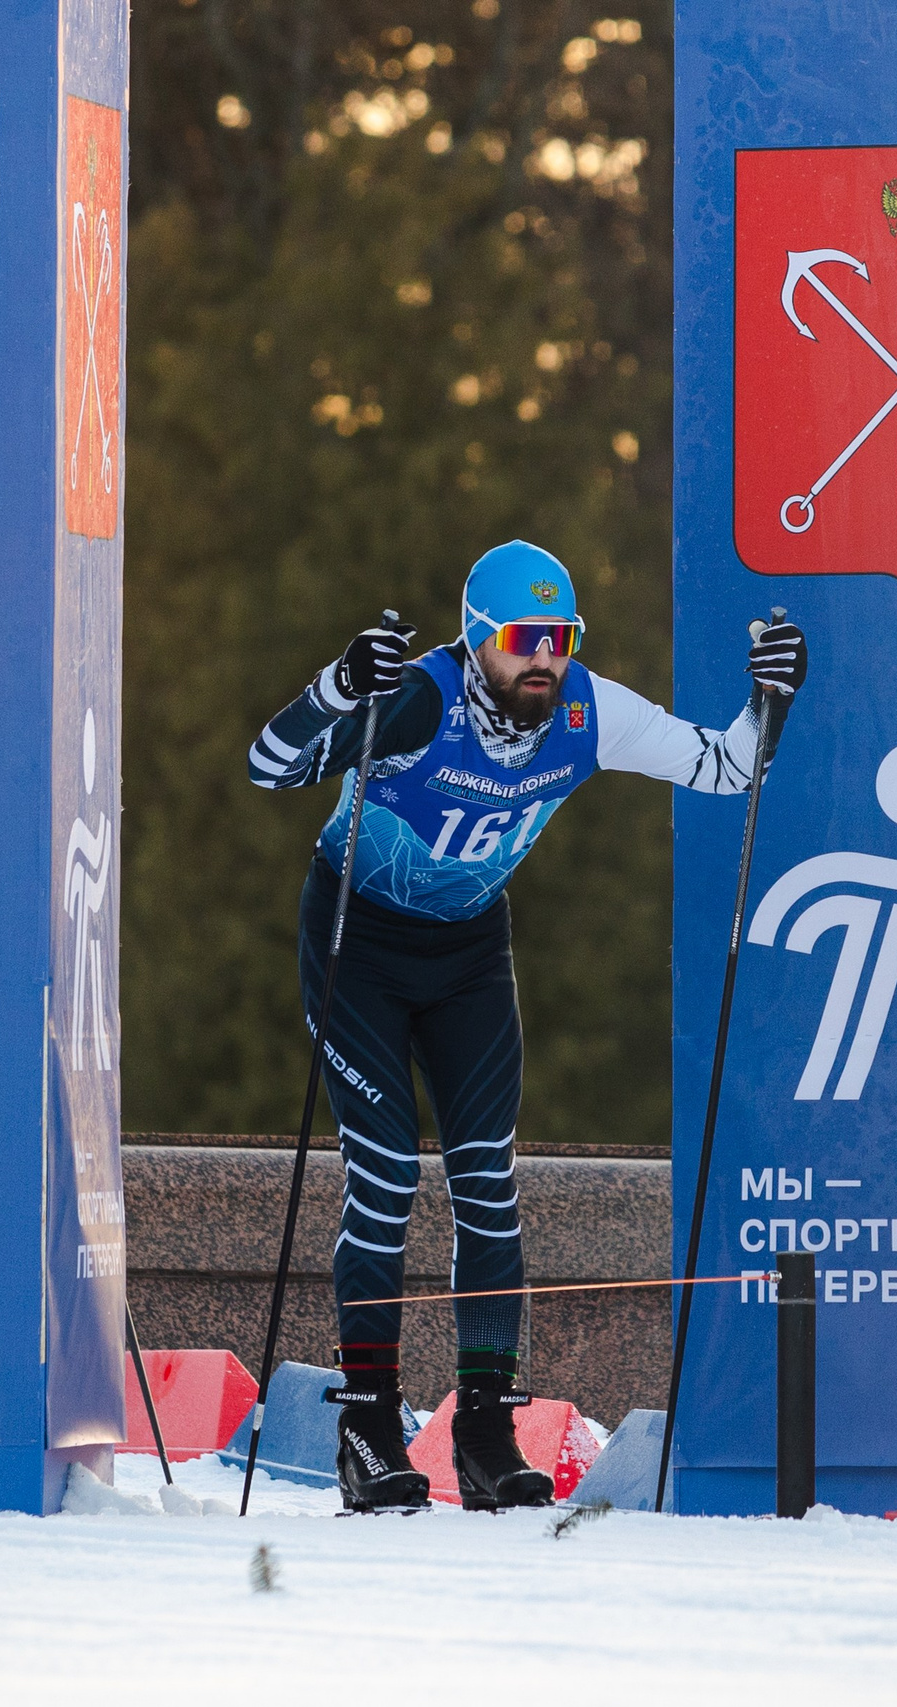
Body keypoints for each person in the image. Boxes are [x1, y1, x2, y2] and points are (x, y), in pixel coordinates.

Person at [249, 540, 809, 1511]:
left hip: (466, 954)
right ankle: (370, 1428)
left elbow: (727, 767)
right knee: (382, 1178)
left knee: (488, 1185)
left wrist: (772, 697)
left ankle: (481, 1430)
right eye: (522, 640)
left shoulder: (585, 712)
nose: (543, 658)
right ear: (475, 644)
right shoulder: (420, 703)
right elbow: (270, 766)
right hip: (360, 947)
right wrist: (341, 689)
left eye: (560, 637)